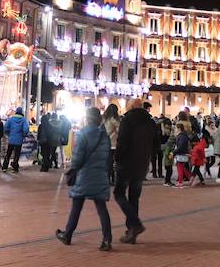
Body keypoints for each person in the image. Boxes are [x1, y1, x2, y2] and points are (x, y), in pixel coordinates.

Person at [56, 107, 112, 251]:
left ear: (87, 118)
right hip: (99, 175)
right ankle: (107, 240)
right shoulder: (103, 135)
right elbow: (107, 156)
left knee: (76, 207)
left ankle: (67, 235)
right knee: (102, 209)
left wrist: (74, 168)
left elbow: (77, 157)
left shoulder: (83, 134)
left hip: (84, 175)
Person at [113, 98, 155, 244]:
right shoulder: (150, 121)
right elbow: (155, 143)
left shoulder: (128, 119)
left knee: (118, 193)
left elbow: (122, 141)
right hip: (142, 164)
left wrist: (117, 157)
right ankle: (132, 231)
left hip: (126, 163)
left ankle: (135, 225)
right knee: (134, 197)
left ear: (130, 107)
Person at [3, 107, 27, 172]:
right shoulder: (23, 120)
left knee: (8, 153)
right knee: (17, 154)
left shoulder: (11, 119)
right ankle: (14, 168)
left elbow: (5, 128)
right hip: (19, 140)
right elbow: (26, 129)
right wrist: (23, 135)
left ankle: (4, 167)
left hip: (11, 139)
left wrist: (9, 134)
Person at [103, 104, 120, 183]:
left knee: (108, 162)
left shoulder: (104, 119)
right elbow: (119, 129)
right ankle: (112, 178)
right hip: (113, 143)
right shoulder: (114, 119)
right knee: (113, 162)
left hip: (105, 143)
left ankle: (108, 178)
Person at [173, 122, 192, 187]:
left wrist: (174, 152)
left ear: (179, 128)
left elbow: (180, 146)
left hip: (181, 154)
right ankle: (190, 177)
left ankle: (181, 181)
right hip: (182, 153)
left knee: (180, 168)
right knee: (182, 168)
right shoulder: (183, 135)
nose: (175, 129)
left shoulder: (182, 136)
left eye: (176, 128)